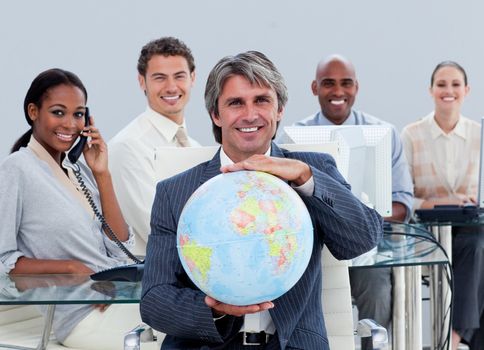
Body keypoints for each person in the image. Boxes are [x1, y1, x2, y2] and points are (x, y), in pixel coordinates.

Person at [140, 51, 383, 349]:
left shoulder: (312, 169)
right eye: (235, 103)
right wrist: (215, 309)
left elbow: (362, 239)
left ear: (279, 109)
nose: (250, 114)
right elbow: (154, 300)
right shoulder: (175, 191)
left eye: (262, 100)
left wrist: (306, 180)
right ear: (216, 115)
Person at [0, 68, 142, 350]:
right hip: (83, 316)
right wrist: (72, 269)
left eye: (78, 114)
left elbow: (119, 247)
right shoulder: (17, 169)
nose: (70, 124)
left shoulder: (79, 170)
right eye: (58, 112)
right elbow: (4, 260)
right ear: (33, 111)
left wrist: (102, 174)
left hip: (119, 300)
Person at [282, 54, 413, 349]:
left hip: (371, 250)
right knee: (305, 290)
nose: (338, 92)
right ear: (315, 88)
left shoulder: (386, 133)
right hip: (316, 247)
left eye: (346, 83)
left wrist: (355, 219)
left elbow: (403, 204)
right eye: (329, 83)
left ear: (357, 87)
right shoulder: (294, 137)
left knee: (377, 288)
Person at [402, 61, 484, 350]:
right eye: (441, 84)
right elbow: (403, 198)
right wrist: (445, 201)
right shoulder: (411, 135)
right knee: (477, 249)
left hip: (471, 225)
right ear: (431, 90)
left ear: (466, 90)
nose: (448, 90)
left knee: (477, 244)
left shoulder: (479, 134)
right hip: (426, 232)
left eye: (455, 84)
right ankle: (458, 339)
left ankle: (456, 338)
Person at [109, 36, 200, 255]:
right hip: (146, 282)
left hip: (194, 274)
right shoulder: (128, 146)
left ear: (193, 78)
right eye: (159, 78)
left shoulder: (195, 147)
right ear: (142, 81)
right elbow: (155, 230)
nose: (171, 87)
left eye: (179, 76)